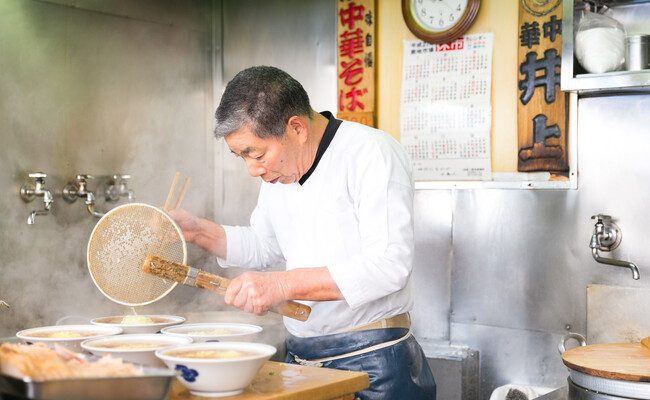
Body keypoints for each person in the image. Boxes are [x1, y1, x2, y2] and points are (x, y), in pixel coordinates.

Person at [170, 66, 436, 399]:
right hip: (301, 359)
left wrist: (280, 284)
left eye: (257, 154)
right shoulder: (278, 174)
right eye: (241, 157)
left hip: (375, 362)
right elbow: (265, 246)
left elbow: (387, 267)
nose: (253, 170)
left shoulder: (370, 153)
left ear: (296, 127)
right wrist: (199, 231)